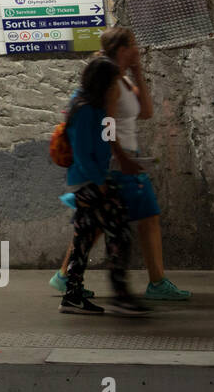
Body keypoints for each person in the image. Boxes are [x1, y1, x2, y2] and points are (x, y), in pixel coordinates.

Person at [51, 28, 191, 300]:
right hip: (118, 161)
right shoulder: (110, 83)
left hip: (125, 157)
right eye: (133, 45)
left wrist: (138, 73)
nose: (138, 49)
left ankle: (67, 276)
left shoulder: (123, 80)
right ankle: (145, 285)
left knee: (96, 224)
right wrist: (120, 158)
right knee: (130, 220)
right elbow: (108, 125)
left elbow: (147, 112)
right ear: (121, 49)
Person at [60, 56, 148, 316]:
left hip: (90, 180)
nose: (114, 89)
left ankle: (73, 295)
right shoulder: (86, 109)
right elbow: (83, 153)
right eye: (112, 84)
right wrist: (100, 184)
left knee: (84, 240)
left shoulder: (94, 106)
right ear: (103, 84)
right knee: (119, 234)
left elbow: (105, 140)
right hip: (90, 182)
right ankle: (120, 294)